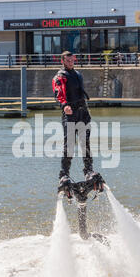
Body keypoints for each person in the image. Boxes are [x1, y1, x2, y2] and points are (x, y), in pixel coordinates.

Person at [52, 51, 96, 188]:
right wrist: (64, 105)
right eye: (68, 61)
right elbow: (58, 92)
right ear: (63, 61)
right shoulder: (60, 76)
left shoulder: (78, 74)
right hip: (70, 113)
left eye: (72, 60)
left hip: (83, 112)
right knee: (69, 144)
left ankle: (88, 170)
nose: (71, 63)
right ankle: (64, 173)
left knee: (85, 143)